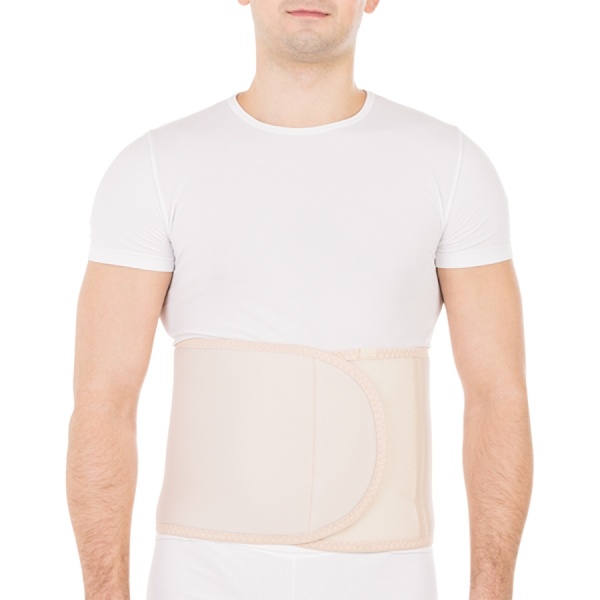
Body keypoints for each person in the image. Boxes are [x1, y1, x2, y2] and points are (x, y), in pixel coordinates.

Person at [66, 1, 533, 598]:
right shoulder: (154, 168)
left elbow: (497, 396)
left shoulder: (452, 166)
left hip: (385, 575)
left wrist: (492, 590)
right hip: (201, 575)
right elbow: (103, 401)